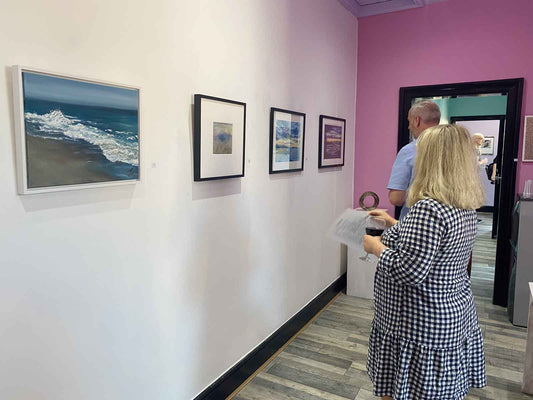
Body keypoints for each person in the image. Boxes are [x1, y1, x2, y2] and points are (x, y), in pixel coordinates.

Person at [363, 124, 487, 400]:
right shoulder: (463, 203)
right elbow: (434, 247)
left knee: (406, 391)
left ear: (432, 159)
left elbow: (410, 271)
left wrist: (376, 248)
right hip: (449, 313)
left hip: (418, 321)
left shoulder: (428, 209)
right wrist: (393, 222)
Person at [387, 100, 440, 220]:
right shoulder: (455, 149)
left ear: (417, 121)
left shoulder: (410, 150)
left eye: (409, 121)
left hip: (416, 223)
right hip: (451, 227)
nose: (408, 126)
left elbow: (396, 198)